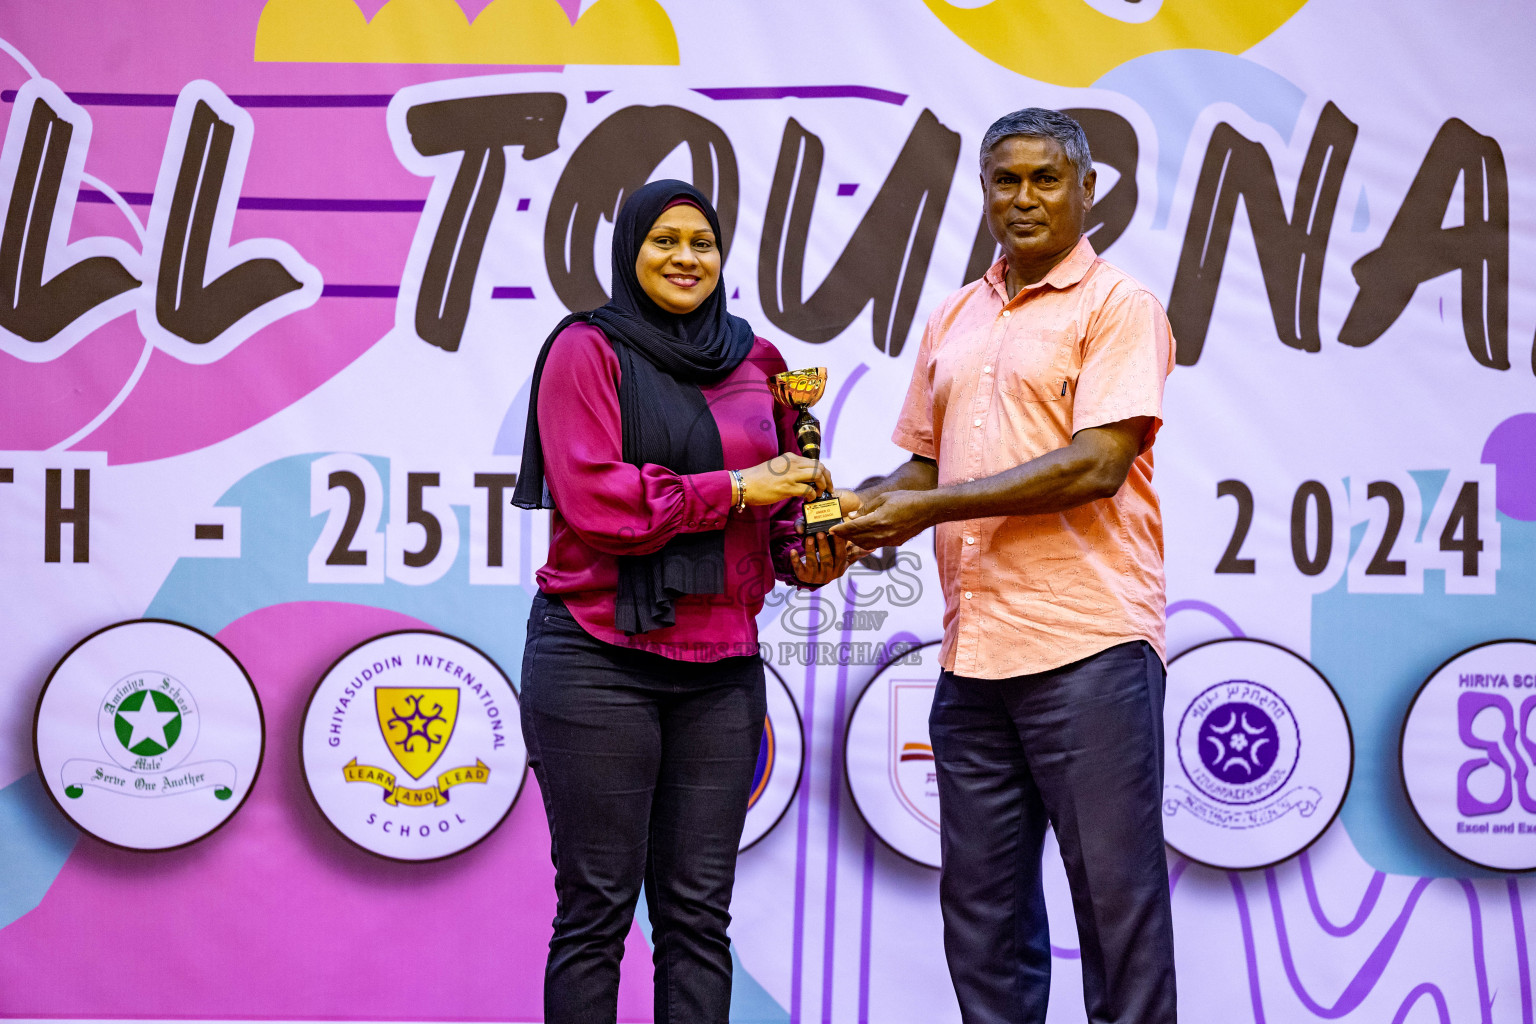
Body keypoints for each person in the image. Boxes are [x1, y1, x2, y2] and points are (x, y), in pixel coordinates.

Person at [833, 109, 1177, 1024]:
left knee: (1119, 917)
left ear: (1087, 190)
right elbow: (923, 466)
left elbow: (1096, 464)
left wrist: (926, 507)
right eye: (1004, 181)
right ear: (984, 192)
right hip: (972, 659)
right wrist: (853, 516)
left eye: (1045, 179)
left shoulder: (1119, 308)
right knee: (981, 925)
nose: (1023, 199)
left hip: (1090, 651)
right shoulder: (955, 311)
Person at [511, 179, 852, 1024]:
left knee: (698, 916)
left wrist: (810, 553)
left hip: (721, 672)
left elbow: (772, 521)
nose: (685, 258)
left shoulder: (758, 360)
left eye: (701, 242)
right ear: (631, 251)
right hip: (597, 659)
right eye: (664, 241)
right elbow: (600, 504)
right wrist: (737, 487)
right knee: (595, 911)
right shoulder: (585, 351)